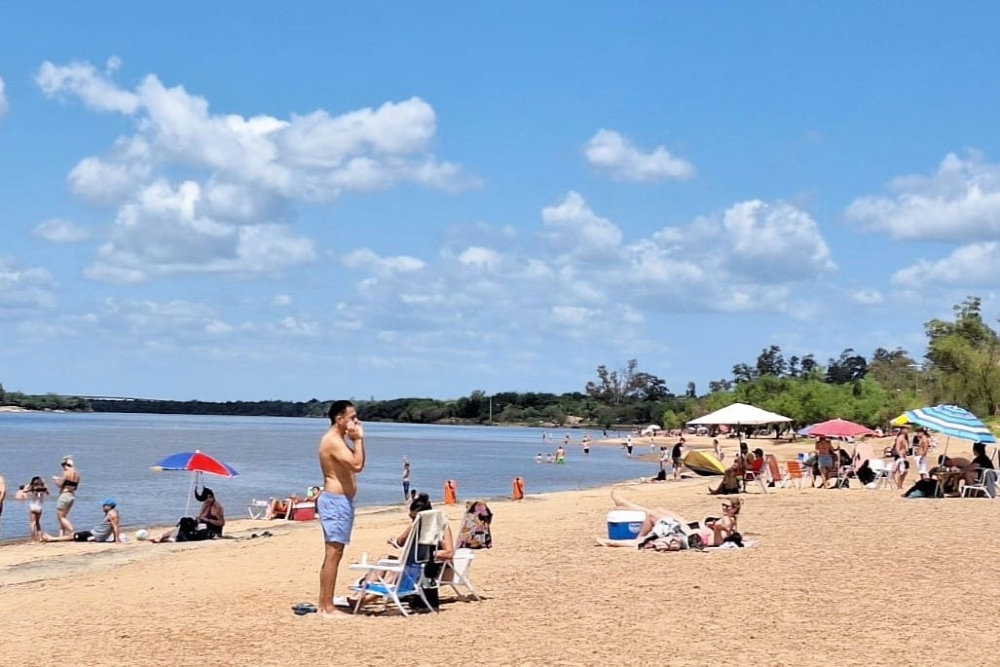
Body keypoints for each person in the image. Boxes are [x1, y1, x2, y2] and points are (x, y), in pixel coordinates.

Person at [317, 399, 366, 619]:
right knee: (333, 554)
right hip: (335, 502)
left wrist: (353, 438)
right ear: (340, 419)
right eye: (352, 418)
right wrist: (358, 439)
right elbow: (357, 465)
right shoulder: (333, 440)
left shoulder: (338, 439)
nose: (356, 421)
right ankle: (326, 607)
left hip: (340, 501)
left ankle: (326, 603)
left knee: (335, 553)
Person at [596, 490, 742, 549]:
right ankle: (625, 504)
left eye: (727, 507)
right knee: (658, 510)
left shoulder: (728, 521)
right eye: (723, 505)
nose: (724, 508)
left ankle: (638, 538)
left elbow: (725, 526)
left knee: (653, 515)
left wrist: (716, 524)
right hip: (688, 525)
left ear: (734, 509)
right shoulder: (729, 520)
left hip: (687, 531)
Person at [151, 486, 226, 542]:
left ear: (210, 497)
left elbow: (221, 523)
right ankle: (163, 537)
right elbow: (200, 517)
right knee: (185, 523)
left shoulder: (217, 507)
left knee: (186, 529)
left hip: (211, 529)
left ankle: (165, 537)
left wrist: (208, 520)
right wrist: (198, 519)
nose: (204, 502)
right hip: (201, 526)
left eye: (205, 500)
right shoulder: (205, 504)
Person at [41, 498, 119, 543]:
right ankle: (52, 538)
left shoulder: (112, 514)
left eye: (104, 505)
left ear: (109, 506)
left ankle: (51, 539)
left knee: (73, 536)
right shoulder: (111, 513)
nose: (102, 507)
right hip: (94, 534)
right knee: (74, 535)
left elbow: (115, 527)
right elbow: (113, 527)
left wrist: (117, 540)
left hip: (94, 536)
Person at [52, 455, 81, 537]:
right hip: (72, 495)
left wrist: (56, 480)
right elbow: (75, 487)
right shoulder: (77, 474)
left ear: (65, 465)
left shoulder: (66, 473)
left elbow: (60, 485)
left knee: (60, 517)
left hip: (64, 495)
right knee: (64, 516)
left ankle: (72, 532)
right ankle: (61, 534)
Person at [15, 476, 49, 542]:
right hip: (40, 507)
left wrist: (29, 484)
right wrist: (44, 484)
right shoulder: (43, 489)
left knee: (32, 523)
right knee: (38, 522)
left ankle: (33, 539)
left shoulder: (32, 488)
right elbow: (48, 493)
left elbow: (24, 490)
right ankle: (40, 537)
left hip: (33, 507)